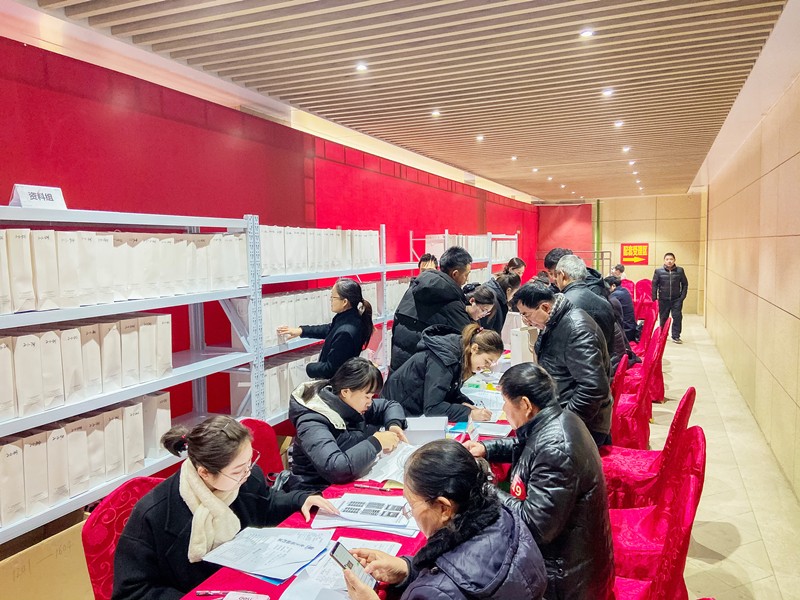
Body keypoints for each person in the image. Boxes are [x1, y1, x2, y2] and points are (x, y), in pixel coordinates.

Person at [112, 416, 336, 600]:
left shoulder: (246, 479)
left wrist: (300, 499)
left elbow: (266, 505)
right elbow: (132, 592)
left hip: (244, 582)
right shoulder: (154, 514)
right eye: (238, 470)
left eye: (250, 462)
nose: (248, 473)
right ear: (204, 473)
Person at [464, 363, 615, 600]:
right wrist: (487, 448)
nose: (504, 409)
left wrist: (484, 487)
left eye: (505, 402)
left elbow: (535, 526)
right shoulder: (559, 418)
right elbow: (528, 446)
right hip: (569, 557)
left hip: (564, 578)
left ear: (525, 404)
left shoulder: (556, 449)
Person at [344, 440, 548, 600]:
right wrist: (408, 569)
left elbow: (450, 584)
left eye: (411, 504)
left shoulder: (436, 592)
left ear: (443, 508)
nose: (410, 513)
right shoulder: (506, 517)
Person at [511, 282, 613, 446]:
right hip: (560, 410)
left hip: (583, 425)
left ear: (545, 307)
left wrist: (562, 425)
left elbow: (593, 389)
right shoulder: (554, 321)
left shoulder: (577, 330)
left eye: (526, 315)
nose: (526, 321)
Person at [287, 357, 408, 492]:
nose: (370, 403)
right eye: (367, 397)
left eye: (372, 397)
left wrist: (394, 425)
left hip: (349, 482)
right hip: (314, 492)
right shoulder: (312, 421)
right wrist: (376, 442)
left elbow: (389, 406)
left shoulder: (352, 404)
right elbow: (336, 467)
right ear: (346, 392)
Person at [382, 323, 502, 422]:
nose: (486, 367)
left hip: (407, 414)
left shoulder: (456, 355)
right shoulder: (444, 359)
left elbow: (447, 392)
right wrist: (469, 413)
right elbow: (433, 408)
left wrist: (464, 403)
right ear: (474, 349)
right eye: (487, 361)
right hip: (393, 416)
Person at [391, 246, 473, 371]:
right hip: (423, 373)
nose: (467, 280)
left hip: (400, 368)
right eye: (466, 275)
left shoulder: (412, 290)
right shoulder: (450, 301)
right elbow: (469, 338)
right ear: (455, 274)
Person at [278, 278, 374, 379]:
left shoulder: (346, 332)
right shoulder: (351, 318)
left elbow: (331, 370)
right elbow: (330, 329)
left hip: (336, 384)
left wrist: (308, 367)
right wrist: (302, 331)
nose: (331, 301)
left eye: (333, 297)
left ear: (344, 302)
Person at [553, 255, 616, 358]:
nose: (554, 279)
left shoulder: (560, 304)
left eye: (556, 275)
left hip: (572, 364)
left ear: (562, 275)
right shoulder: (605, 303)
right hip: (602, 363)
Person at [652, 252, 689, 343]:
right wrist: (654, 299)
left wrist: (682, 297)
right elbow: (654, 285)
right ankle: (662, 334)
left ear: (674, 260)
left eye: (671, 259)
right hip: (663, 299)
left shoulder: (680, 271)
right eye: (667, 259)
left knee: (677, 317)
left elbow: (685, 284)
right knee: (663, 317)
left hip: (676, 299)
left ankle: (676, 336)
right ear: (664, 260)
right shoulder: (658, 271)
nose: (669, 261)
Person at [605, 275, 637, 341]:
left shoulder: (615, 295)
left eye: (607, 288)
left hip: (626, 332)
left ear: (613, 286)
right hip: (630, 328)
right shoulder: (624, 290)